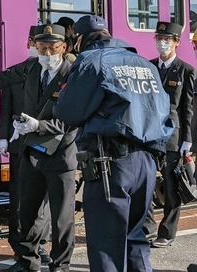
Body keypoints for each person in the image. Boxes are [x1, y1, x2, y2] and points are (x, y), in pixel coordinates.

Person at [53, 15, 173, 272]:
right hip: (146, 162)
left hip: (110, 165)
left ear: (81, 39)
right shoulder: (144, 64)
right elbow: (164, 112)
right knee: (135, 238)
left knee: (107, 244)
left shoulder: (92, 61)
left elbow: (69, 112)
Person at [0, 25, 77, 272]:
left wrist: (38, 125)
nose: (47, 53)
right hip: (33, 151)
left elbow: (72, 120)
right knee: (27, 210)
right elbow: (7, 77)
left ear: (63, 47)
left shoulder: (73, 74)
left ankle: (60, 265)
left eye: (52, 48)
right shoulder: (32, 67)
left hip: (60, 153)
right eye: (42, 48)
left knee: (62, 217)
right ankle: (28, 262)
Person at [143, 22, 195, 248]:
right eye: (158, 38)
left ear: (176, 43)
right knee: (143, 184)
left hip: (173, 137)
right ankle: (147, 228)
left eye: (167, 39)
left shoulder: (186, 70)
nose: (161, 43)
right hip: (148, 135)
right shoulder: (148, 67)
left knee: (172, 187)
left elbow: (188, 108)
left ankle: (167, 232)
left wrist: (188, 140)